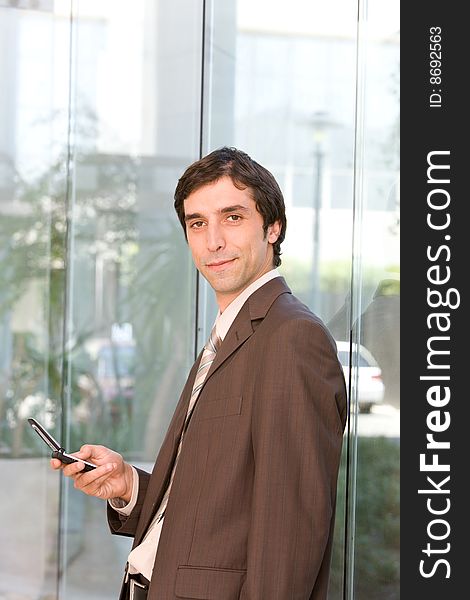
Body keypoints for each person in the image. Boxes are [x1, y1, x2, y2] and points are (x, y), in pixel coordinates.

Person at [52, 147, 347, 600]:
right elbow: (216, 507)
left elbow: (288, 532)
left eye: (232, 217)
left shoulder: (291, 338)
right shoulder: (231, 335)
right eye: (197, 223)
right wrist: (129, 485)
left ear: (273, 226)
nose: (213, 242)